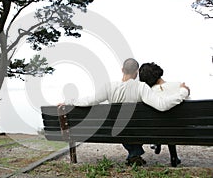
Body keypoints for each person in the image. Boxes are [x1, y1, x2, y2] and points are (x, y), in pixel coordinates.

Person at [59, 58, 190, 166]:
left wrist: (69, 101)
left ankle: (134, 154)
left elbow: (89, 101)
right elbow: (162, 105)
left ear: (122, 70)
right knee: (138, 125)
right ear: (137, 73)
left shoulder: (108, 87)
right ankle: (134, 154)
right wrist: (183, 92)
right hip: (138, 132)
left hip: (118, 132)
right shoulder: (141, 87)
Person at [139, 62, 188, 167]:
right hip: (180, 128)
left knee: (163, 123)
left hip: (156, 130)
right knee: (171, 121)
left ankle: (158, 142)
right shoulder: (179, 86)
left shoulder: (147, 93)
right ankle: (174, 156)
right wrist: (185, 91)